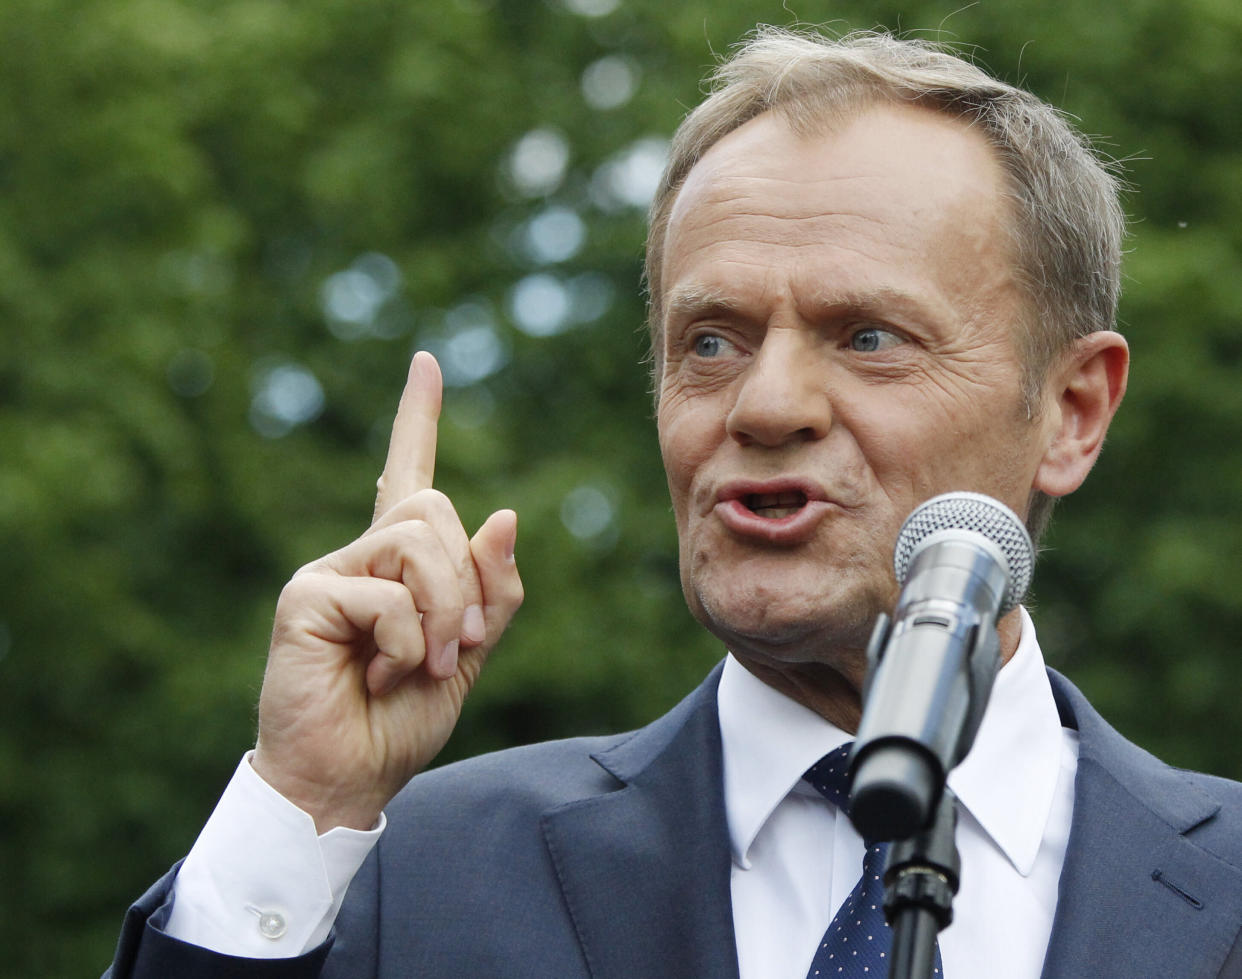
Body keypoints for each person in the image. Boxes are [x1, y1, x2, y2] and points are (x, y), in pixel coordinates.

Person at [106, 27, 1242, 979]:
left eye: (869, 337)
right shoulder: (415, 871)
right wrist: (302, 798)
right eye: (712, 340)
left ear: (1074, 409)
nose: (766, 403)